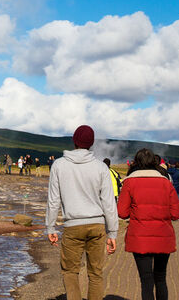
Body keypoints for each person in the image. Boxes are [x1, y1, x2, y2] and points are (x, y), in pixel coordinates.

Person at [45, 125, 118, 300]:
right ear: (91, 143)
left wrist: (50, 227)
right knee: (96, 273)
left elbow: (53, 200)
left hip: (72, 226)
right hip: (97, 226)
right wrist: (113, 232)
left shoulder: (59, 165)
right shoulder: (101, 168)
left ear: (74, 140)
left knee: (70, 271)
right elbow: (109, 202)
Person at [118, 148, 179, 300]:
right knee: (160, 278)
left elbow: (122, 212)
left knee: (146, 281)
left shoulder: (129, 182)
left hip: (140, 237)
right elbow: (176, 213)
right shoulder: (166, 183)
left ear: (136, 162)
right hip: (163, 236)